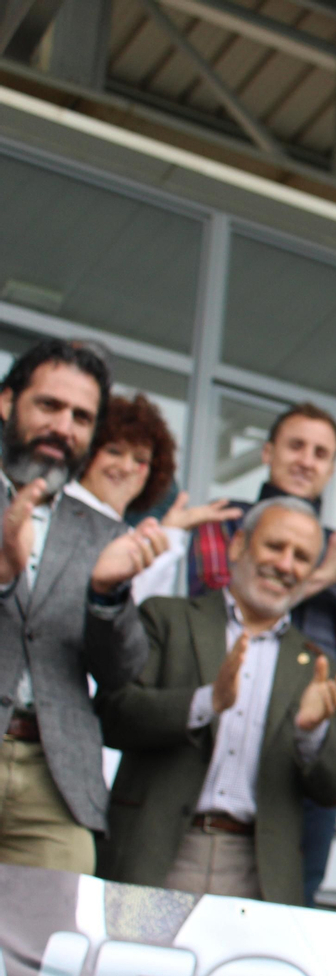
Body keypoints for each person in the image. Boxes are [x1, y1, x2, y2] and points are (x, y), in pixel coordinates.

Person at [98, 497, 336, 903]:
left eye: (302, 557)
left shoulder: (316, 664)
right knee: (135, 964)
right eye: (275, 546)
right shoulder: (166, 618)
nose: (286, 565)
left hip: (257, 878)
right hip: (156, 858)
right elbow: (114, 715)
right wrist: (207, 702)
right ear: (238, 547)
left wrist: (312, 733)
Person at [186, 401, 336, 904]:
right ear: (268, 452)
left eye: (321, 453)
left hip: (308, 735)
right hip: (224, 720)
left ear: (332, 467)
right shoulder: (225, 520)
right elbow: (225, 603)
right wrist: (320, 573)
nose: (306, 460)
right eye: (296, 446)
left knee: (293, 897)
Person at [0, 339, 167, 873]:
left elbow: (121, 671)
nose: (63, 427)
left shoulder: (104, 534)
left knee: (56, 951)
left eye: (80, 417)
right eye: (49, 406)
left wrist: (107, 596)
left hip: (56, 780)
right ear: (7, 403)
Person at [65, 393, 239, 602]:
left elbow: (139, 608)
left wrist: (171, 532)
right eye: (114, 451)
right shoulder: (58, 506)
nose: (127, 467)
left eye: (140, 459)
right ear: (88, 452)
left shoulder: (126, 531)